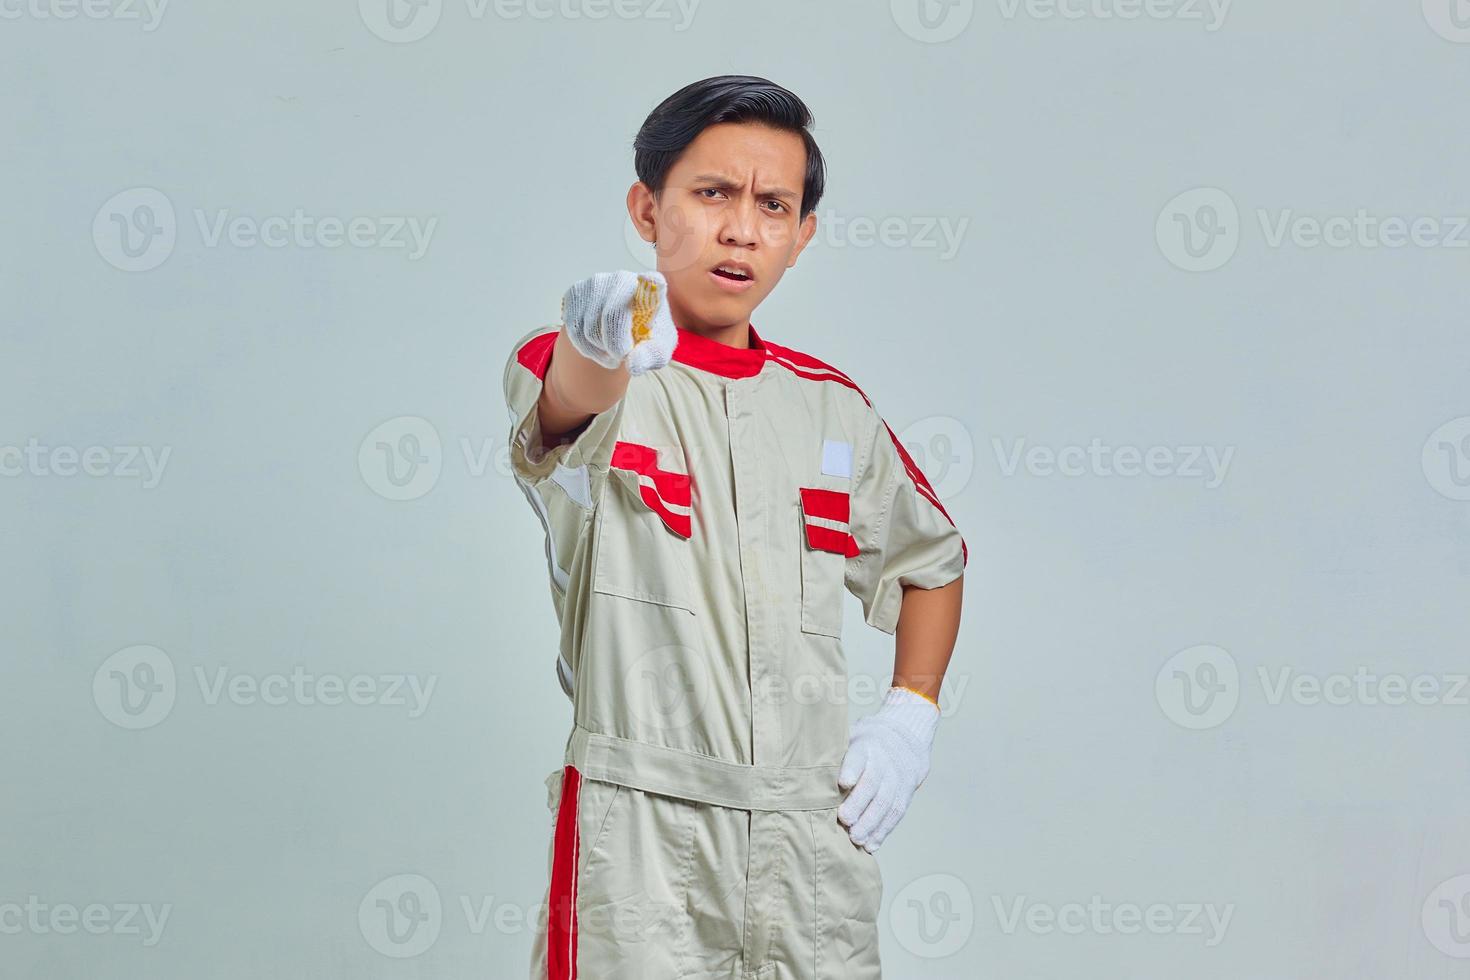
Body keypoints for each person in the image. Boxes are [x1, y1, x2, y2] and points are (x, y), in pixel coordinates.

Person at [502, 74, 966, 980]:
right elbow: (565, 408)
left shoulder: (833, 411)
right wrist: (598, 343)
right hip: (640, 833)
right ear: (648, 207)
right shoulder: (592, 362)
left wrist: (910, 719)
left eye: (773, 205)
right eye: (712, 193)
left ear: (802, 236)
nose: (742, 228)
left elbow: (931, 562)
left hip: (808, 844)